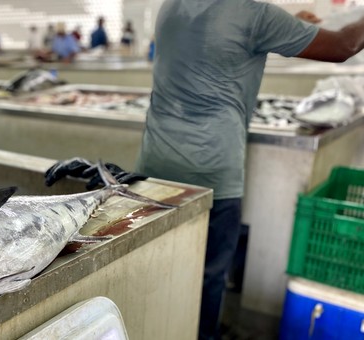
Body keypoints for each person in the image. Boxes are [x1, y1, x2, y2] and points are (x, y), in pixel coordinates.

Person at [136, 1, 364, 339]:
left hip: (153, 166)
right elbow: (343, 46)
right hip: (212, 173)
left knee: (160, 267)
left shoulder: (172, 6)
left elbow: (224, 41)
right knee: (210, 273)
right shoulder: (253, 14)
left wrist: (290, 25)